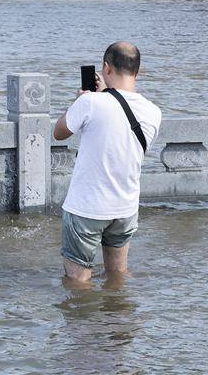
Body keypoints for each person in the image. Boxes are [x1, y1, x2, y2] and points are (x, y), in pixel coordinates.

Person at [53, 41, 162, 283]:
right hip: (125, 208)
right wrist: (103, 96)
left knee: (77, 282)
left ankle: (85, 321)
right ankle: (119, 318)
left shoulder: (90, 103)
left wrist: (81, 100)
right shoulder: (154, 111)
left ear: (106, 68)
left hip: (87, 207)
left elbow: (59, 132)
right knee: (118, 275)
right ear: (138, 70)